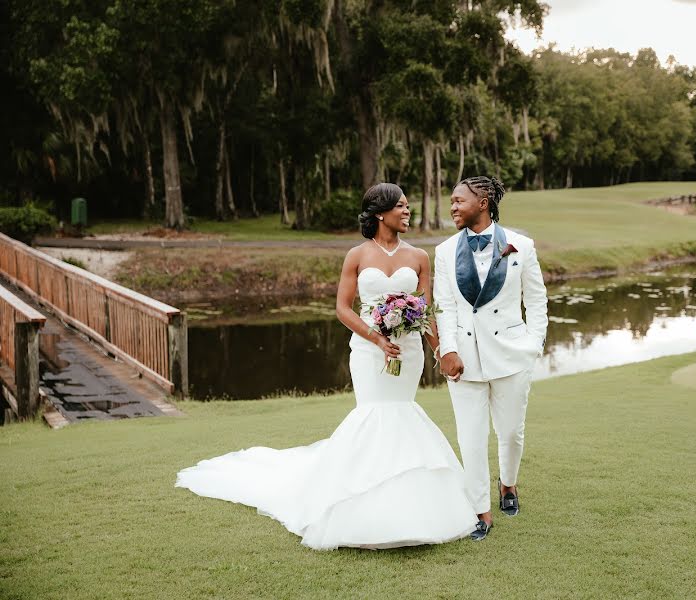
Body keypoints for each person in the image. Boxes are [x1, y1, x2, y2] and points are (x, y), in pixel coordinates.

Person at [176, 183, 476, 550]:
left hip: (408, 351)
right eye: (401, 207)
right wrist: (377, 338)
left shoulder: (419, 257)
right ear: (381, 213)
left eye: (407, 207)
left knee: (401, 413)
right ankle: (360, 509)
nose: (407, 212)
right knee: (373, 415)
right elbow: (343, 308)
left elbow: (427, 310)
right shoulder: (356, 255)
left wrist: (441, 352)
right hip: (369, 351)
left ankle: (413, 509)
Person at [433, 175, 548, 541]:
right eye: (451, 201)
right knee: (470, 438)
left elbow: (537, 300)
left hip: (512, 357)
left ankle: (508, 486)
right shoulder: (444, 251)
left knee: (511, 432)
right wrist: (446, 350)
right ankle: (480, 509)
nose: (452, 207)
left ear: (483, 202)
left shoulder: (522, 246)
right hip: (464, 361)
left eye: (458, 201)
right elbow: (444, 306)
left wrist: (533, 343)